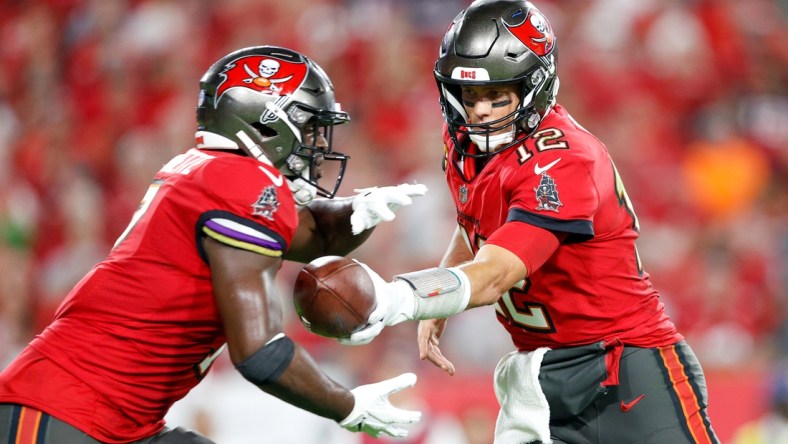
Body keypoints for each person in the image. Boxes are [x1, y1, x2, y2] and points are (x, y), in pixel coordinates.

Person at [0, 45, 425, 443]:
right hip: (64, 408)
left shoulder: (212, 171)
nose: (316, 145)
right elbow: (260, 354)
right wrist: (347, 405)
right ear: (267, 121)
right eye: (310, 127)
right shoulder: (241, 182)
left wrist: (360, 210)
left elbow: (310, 238)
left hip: (111, 416)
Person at [340, 1, 721, 443]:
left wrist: (401, 297)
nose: (479, 112)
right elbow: (476, 223)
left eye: (496, 96)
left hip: (623, 371)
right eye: (470, 95)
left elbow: (498, 272)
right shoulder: (464, 143)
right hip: (537, 374)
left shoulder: (563, 160)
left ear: (534, 88)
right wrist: (441, 297)